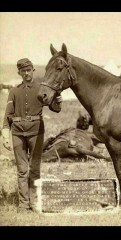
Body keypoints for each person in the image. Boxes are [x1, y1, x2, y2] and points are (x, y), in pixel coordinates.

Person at [2, 58, 62, 213]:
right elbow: (7, 116)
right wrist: (5, 134)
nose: (26, 73)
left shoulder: (41, 89)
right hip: (17, 133)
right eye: (23, 71)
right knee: (22, 170)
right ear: (19, 72)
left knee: (34, 169)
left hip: (36, 132)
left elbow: (55, 108)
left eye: (29, 70)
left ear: (33, 70)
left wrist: (58, 100)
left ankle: (34, 203)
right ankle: (23, 204)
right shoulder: (14, 91)